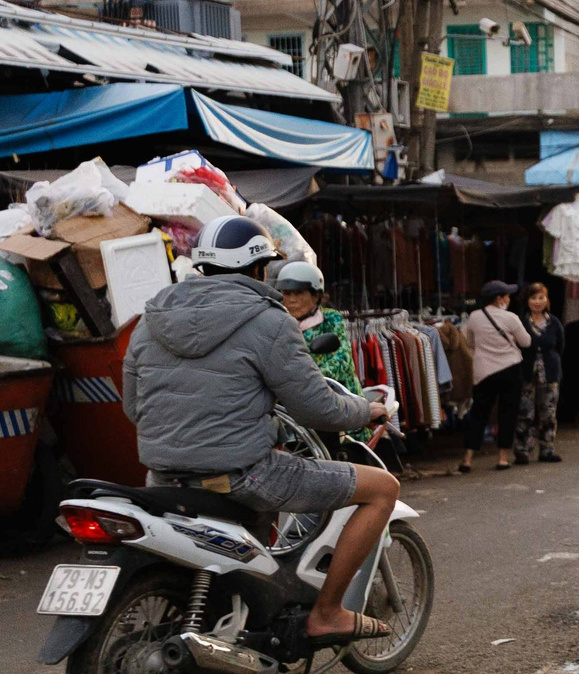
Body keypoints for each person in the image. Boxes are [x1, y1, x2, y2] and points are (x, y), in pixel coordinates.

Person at [121, 216, 396, 647]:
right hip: (242, 477)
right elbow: (316, 406)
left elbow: (134, 408)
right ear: (257, 270)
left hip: (163, 478)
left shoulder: (151, 318)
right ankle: (327, 614)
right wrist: (366, 410)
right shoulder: (270, 321)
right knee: (382, 488)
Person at [458, 280, 529, 473]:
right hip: (510, 368)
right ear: (499, 299)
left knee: (479, 414)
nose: (509, 299)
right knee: (507, 413)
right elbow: (526, 341)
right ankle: (502, 458)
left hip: (483, 372)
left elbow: (470, 342)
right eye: (507, 296)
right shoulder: (511, 318)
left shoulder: (474, 317)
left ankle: (467, 459)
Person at [273, 261, 358, 392]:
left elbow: (342, 357)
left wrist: (311, 378)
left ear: (315, 296)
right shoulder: (278, 322)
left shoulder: (331, 319)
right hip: (294, 396)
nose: (292, 300)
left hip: (336, 394)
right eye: (287, 293)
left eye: (298, 293)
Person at [514, 280, 565, 465]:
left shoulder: (555, 323)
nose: (537, 301)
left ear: (547, 300)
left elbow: (560, 347)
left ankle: (547, 449)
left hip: (550, 373)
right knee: (525, 413)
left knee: (548, 413)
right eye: (533, 297)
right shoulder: (520, 322)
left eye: (541, 297)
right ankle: (522, 451)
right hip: (526, 374)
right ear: (527, 300)